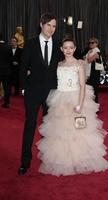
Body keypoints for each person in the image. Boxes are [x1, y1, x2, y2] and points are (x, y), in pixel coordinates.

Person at [36, 37, 108, 176]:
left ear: (75, 49)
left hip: (77, 99)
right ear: (61, 49)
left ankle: (81, 159)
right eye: (66, 47)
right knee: (61, 131)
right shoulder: (58, 65)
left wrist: (80, 104)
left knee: (80, 130)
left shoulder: (79, 64)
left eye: (71, 47)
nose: (68, 50)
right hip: (60, 100)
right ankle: (64, 159)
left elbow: (83, 86)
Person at [18, 13, 61, 175]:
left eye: (54, 26)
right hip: (32, 92)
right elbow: (23, 68)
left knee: (49, 128)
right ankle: (25, 161)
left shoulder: (58, 44)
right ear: (41, 25)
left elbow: (66, 61)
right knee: (30, 126)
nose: (51, 29)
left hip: (51, 93)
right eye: (49, 25)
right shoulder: (29, 44)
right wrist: (23, 88)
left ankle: (47, 158)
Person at [82, 37, 102, 103]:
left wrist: (87, 56)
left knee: (94, 91)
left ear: (96, 43)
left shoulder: (97, 52)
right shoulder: (90, 51)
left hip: (94, 74)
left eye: (92, 43)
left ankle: (95, 106)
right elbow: (84, 58)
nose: (90, 44)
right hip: (89, 74)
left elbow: (89, 60)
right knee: (89, 90)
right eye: (89, 43)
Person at [0, 33, 12, 108]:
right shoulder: (8, 47)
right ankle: (7, 103)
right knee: (6, 87)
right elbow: (11, 59)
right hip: (7, 71)